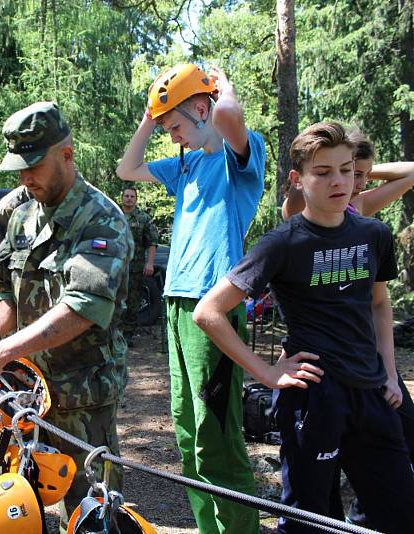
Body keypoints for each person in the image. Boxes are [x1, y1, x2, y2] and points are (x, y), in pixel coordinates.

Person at [194, 122, 414, 533]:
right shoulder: (283, 243)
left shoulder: (373, 234)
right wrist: (267, 373)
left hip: (372, 395)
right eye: (324, 171)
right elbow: (208, 312)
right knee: (308, 520)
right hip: (314, 397)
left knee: (399, 512)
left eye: (347, 170)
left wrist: (389, 371)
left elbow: (379, 302)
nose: (339, 181)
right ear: (298, 179)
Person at [0, 101, 133, 530]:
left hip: (83, 398)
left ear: (67, 154)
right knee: (24, 510)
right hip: (24, 397)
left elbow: (82, 309)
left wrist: (1, 353)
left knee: (93, 513)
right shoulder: (13, 213)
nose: (25, 177)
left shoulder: (102, 221)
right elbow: (7, 293)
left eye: (33, 165)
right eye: (18, 167)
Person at [116, 63, 265, 533]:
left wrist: (226, 88)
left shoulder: (240, 158)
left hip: (214, 306)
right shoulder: (184, 165)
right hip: (177, 303)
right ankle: (209, 528)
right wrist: (151, 114)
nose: (172, 137)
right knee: (187, 432)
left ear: (204, 108)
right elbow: (128, 168)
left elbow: (232, 120)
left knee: (217, 435)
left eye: (176, 126)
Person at [282, 130, 414, 525]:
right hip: (326, 363)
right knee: (317, 481)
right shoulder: (305, 213)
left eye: (356, 173)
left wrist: (362, 172)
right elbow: (294, 200)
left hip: (370, 356)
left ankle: (368, 511)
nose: (351, 181)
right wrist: (335, 167)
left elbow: (411, 170)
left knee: (398, 433)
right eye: (340, 172)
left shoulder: (364, 212)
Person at [283, 129, 414, 220]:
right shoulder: (301, 206)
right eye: (356, 174)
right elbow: (303, 175)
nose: (362, 185)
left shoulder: (357, 207)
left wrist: (360, 172)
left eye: (367, 176)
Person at [120, 185, 159, 347]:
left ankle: (127, 335)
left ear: (136, 199)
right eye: (127, 196)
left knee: (132, 301)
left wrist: (150, 263)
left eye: (132, 196)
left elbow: (152, 242)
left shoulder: (143, 218)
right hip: (114, 267)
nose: (129, 198)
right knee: (113, 300)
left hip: (135, 268)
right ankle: (114, 333)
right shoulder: (114, 215)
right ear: (122, 198)